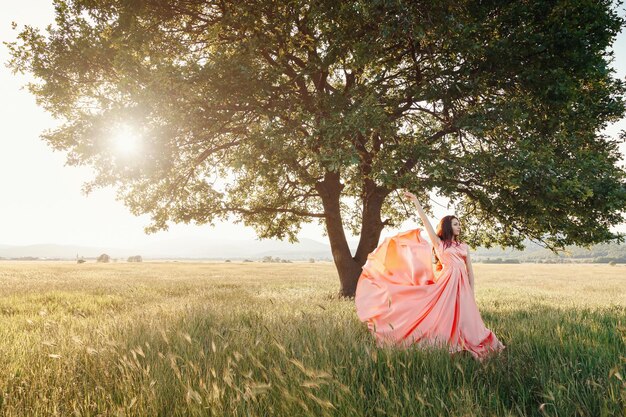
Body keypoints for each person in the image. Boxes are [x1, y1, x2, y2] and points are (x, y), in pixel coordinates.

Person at [355, 190, 505, 361]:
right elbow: (426, 222)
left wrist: (471, 292)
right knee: (443, 316)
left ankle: (468, 341)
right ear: (448, 226)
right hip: (446, 286)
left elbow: (470, 271)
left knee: (468, 318)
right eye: (456, 224)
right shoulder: (439, 244)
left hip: (462, 287)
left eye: (459, 224)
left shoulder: (464, 246)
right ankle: (444, 343)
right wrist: (416, 201)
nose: (459, 227)